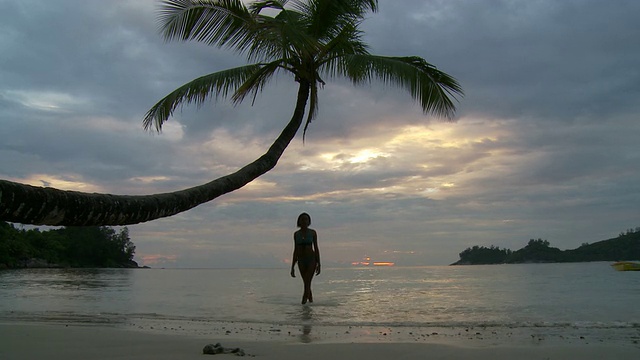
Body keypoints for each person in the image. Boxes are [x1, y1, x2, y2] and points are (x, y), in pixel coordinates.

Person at [290, 212, 321, 304]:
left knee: (307, 282)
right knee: (306, 283)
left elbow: (316, 248)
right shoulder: (296, 234)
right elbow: (295, 250)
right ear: (299, 221)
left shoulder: (312, 233)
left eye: (306, 219)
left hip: (311, 259)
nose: (304, 221)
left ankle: (303, 304)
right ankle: (310, 304)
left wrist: (319, 263)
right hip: (301, 260)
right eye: (302, 219)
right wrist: (292, 266)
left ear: (309, 221)